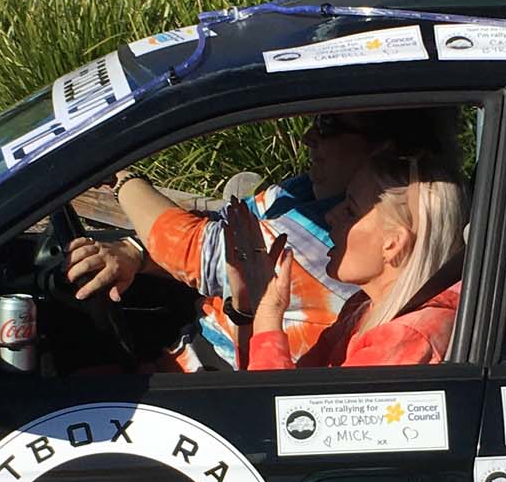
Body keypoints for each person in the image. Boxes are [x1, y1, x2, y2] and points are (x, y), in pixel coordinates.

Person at [65, 106, 456, 369]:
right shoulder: (362, 304)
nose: (308, 137)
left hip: (217, 379)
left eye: (327, 125)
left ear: (393, 242)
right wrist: (137, 251)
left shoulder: (401, 338)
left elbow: (287, 421)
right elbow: (227, 229)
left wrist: (119, 174)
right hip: (217, 367)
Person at [234, 147, 467, 368]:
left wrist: (268, 314)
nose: (330, 215)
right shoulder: (362, 308)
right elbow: (278, 385)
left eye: (351, 211)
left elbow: (280, 397)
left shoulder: (406, 338)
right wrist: (246, 307)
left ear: (393, 243)